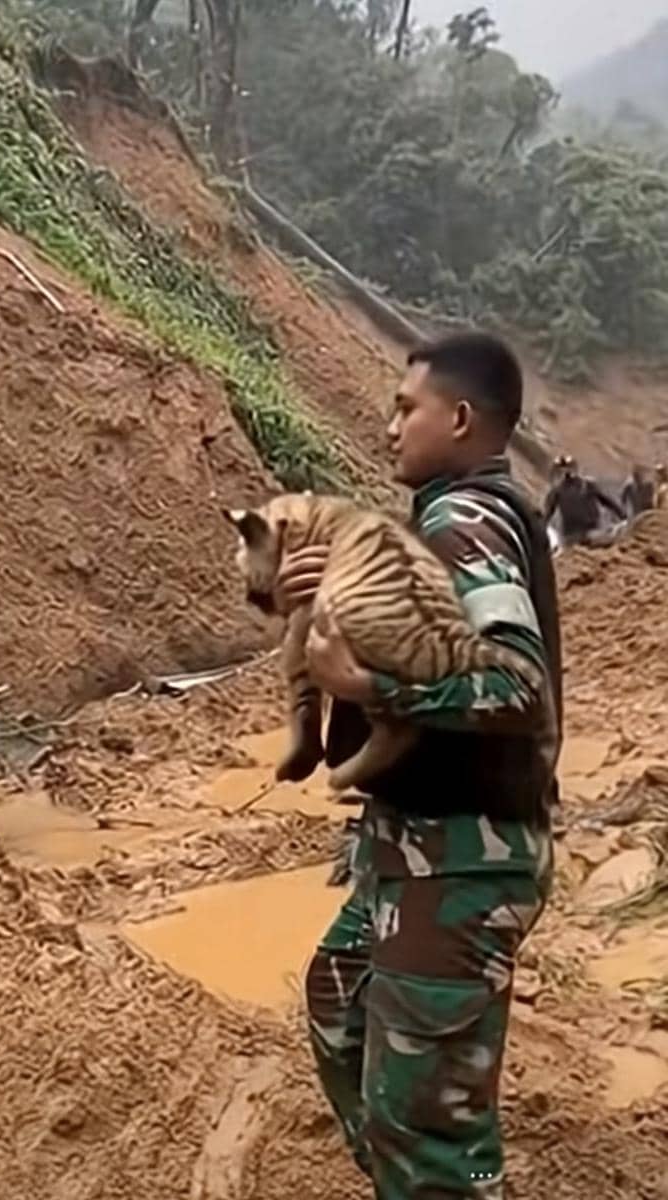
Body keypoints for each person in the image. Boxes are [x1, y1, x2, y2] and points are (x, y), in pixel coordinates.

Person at [276, 333, 562, 1200]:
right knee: (339, 1000)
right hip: (417, 856)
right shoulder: (438, 524)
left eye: (408, 407)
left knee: (429, 1126)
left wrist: (368, 682)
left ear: (463, 418)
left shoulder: (464, 520)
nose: (389, 423)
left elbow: (518, 686)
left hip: (460, 865)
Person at [543, 456, 623, 547]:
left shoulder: (588, 485)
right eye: (562, 470)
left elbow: (607, 501)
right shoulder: (556, 492)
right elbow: (548, 512)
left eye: (568, 468)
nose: (566, 473)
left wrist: (622, 515)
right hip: (571, 534)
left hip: (592, 529)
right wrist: (542, 528)